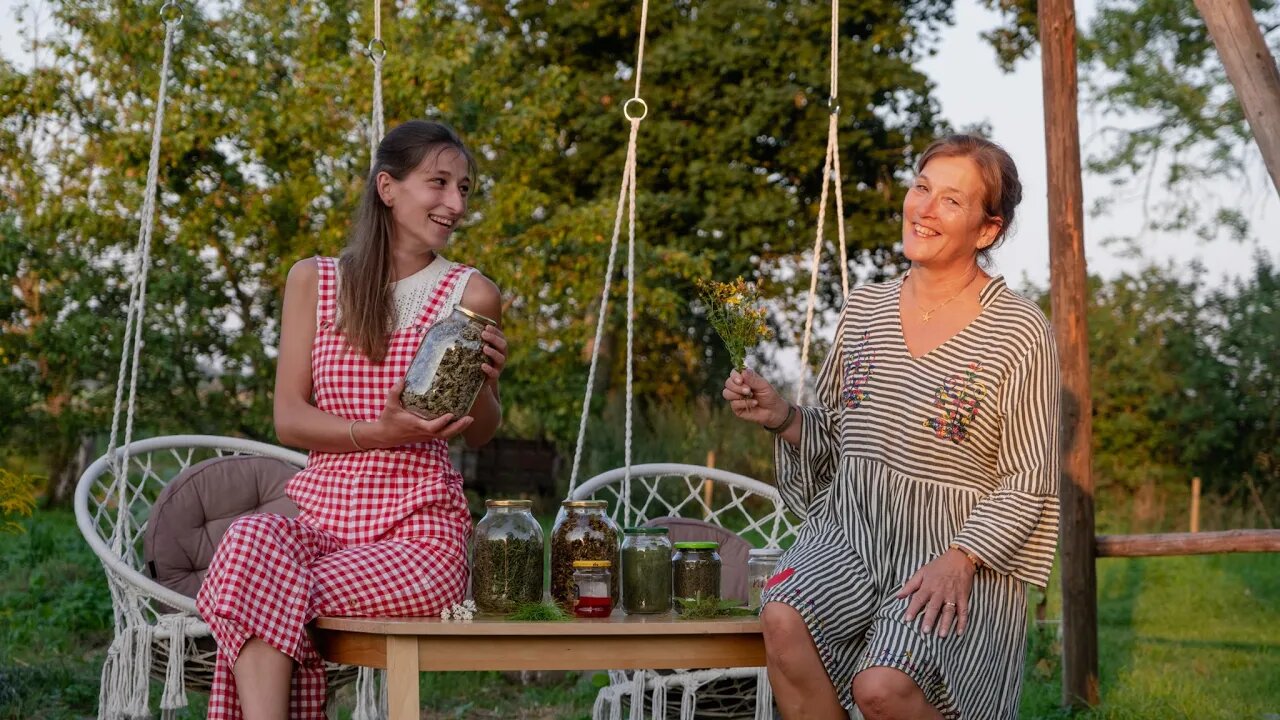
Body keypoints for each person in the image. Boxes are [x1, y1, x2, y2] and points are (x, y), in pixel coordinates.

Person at [724, 134, 1059, 720]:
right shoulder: (864, 309)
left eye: (952, 201)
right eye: (922, 187)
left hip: (952, 553)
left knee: (882, 690)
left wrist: (963, 557)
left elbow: (1029, 473)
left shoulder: (1019, 328)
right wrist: (784, 418)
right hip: (851, 533)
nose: (924, 209)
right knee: (782, 615)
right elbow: (835, 436)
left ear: (988, 230)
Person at [196, 120, 507, 720]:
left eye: (465, 188)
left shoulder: (473, 292)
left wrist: (488, 386)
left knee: (255, 588)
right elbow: (289, 420)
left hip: (420, 539)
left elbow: (482, 430)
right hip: (322, 523)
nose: (456, 203)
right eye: (439, 183)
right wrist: (376, 433)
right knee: (249, 540)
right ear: (387, 188)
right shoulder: (313, 281)